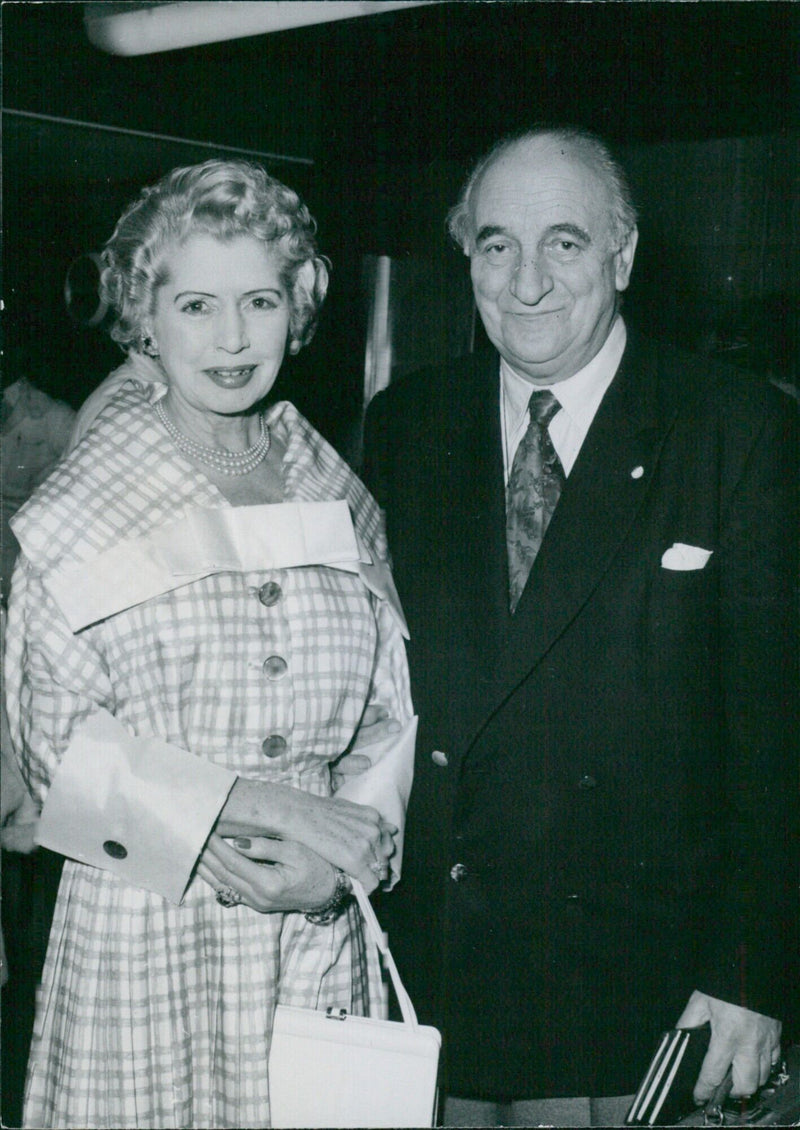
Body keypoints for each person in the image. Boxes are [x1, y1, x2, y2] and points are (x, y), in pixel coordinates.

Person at [362, 125, 798, 1126]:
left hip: (632, 990)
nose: (525, 282)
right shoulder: (404, 423)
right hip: (433, 974)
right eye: (493, 243)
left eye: (563, 241)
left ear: (624, 253)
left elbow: (782, 736)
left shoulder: (737, 429)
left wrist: (752, 971)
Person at [3, 159, 415, 1129]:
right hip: (146, 932)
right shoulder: (83, 504)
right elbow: (47, 754)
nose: (231, 338)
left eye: (258, 299)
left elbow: (390, 709)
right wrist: (262, 805)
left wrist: (343, 854)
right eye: (196, 303)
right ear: (143, 317)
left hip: (312, 933)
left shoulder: (335, 487)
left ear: (298, 307)